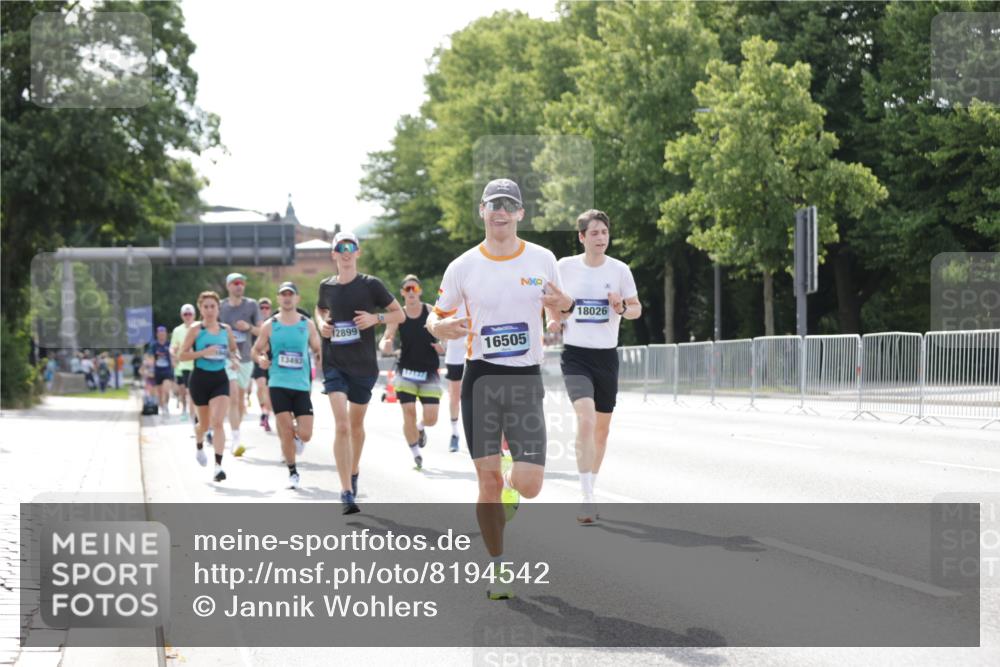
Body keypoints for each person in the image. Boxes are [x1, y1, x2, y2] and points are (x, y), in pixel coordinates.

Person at [426, 178, 571, 600]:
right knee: (485, 483)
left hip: (525, 379)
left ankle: (512, 479)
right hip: (482, 379)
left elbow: (562, 308)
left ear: (520, 213)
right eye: (494, 205)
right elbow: (435, 317)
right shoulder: (463, 266)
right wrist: (439, 327)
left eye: (509, 205)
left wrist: (561, 309)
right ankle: (499, 568)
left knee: (530, 485)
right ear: (483, 211)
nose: (501, 212)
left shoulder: (543, 259)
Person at [549, 209, 641, 524]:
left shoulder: (620, 270)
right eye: (594, 233)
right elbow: (550, 300)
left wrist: (622, 306)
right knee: (586, 420)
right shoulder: (565, 267)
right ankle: (586, 497)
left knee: (601, 431)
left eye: (604, 232)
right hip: (576, 356)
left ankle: (591, 485)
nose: (601, 238)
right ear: (582, 237)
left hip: (606, 357)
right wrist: (553, 319)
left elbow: (637, 309)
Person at [315, 231, 405, 514]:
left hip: (363, 366)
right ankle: (345, 491)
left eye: (350, 247)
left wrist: (375, 318)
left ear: (357, 252)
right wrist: (321, 324)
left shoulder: (371, 285)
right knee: (341, 425)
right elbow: (320, 309)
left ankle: (353, 470)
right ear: (333, 254)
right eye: (340, 248)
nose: (345, 252)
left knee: (355, 426)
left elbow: (399, 314)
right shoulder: (326, 286)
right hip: (334, 363)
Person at [252, 282, 322, 490]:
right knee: (285, 428)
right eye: (283, 294)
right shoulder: (270, 325)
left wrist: (320, 355)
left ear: (297, 298)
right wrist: (260, 359)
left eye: (291, 294)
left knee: (306, 433)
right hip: (278, 383)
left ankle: (297, 439)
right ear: (278, 298)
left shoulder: (307, 324)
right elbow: (255, 350)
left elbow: (317, 347)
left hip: (301, 385)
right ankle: (293, 472)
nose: (287, 298)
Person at [379, 275, 444, 470]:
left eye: (414, 288)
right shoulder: (398, 314)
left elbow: (444, 334)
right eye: (407, 289)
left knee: (432, 418)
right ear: (402, 293)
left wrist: (442, 345)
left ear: (419, 291)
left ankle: (421, 427)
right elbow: (386, 338)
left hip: (429, 371)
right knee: (408, 412)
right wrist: (386, 345)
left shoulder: (430, 311)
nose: (410, 292)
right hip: (406, 370)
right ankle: (416, 453)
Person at [179, 291, 239, 483]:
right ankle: (199, 444)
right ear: (200, 308)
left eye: (213, 306)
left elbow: (233, 350)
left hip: (220, 379)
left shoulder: (225, 330)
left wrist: (235, 360)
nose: (210, 310)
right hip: (200, 380)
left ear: (218, 308)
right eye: (206, 307)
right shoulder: (196, 330)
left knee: (218, 422)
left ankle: (218, 467)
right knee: (204, 425)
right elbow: (182, 355)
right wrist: (203, 352)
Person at [219, 272, 262, 457]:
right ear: (228, 286)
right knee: (234, 396)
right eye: (236, 283)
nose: (239, 286)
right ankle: (236, 438)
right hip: (227, 358)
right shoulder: (220, 306)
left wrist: (249, 328)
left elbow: (262, 330)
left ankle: (235, 429)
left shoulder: (251, 305)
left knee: (241, 399)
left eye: (242, 283)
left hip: (246, 358)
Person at [443, 304, 467, 453]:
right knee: (455, 397)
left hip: (475, 353)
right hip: (454, 356)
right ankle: (454, 433)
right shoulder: (449, 299)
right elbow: (439, 325)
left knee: (477, 396)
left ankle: (478, 435)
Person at [170, 304, 197, 424]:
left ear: (194, 315)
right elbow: (173, 346)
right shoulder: (177, 330)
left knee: (194, 392)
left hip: (198, 364)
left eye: (190, 314)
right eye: (185, 314)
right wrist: (173, 354)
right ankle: (189, 415)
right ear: (182, 316)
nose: (188, 316)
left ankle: (197, 415)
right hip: (184, 365)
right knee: (187, 392)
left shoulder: (199, 327)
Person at [252, 297, 274, 433]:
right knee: (260, 386)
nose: (264, 310)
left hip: (272, 359)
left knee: (269, 389)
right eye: (262, 307)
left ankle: (266, 415)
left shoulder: (274, 322)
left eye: (267, 307)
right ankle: (263, 410)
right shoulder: (253, 321)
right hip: (258, 358)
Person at [150, 326, 174, 417]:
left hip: (167, 370)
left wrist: (174, 362)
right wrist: (150, 370)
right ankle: (161, 407)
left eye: (163, 334)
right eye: (160, 334)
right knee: (160, 392)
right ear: (157, 334)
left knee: (166, 390)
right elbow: (151, 358)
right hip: (157, 371)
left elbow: (173, 355)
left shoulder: (169, 344)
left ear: (166, 334)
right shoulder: (154, 345)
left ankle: (166, 405)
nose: (162, 335)